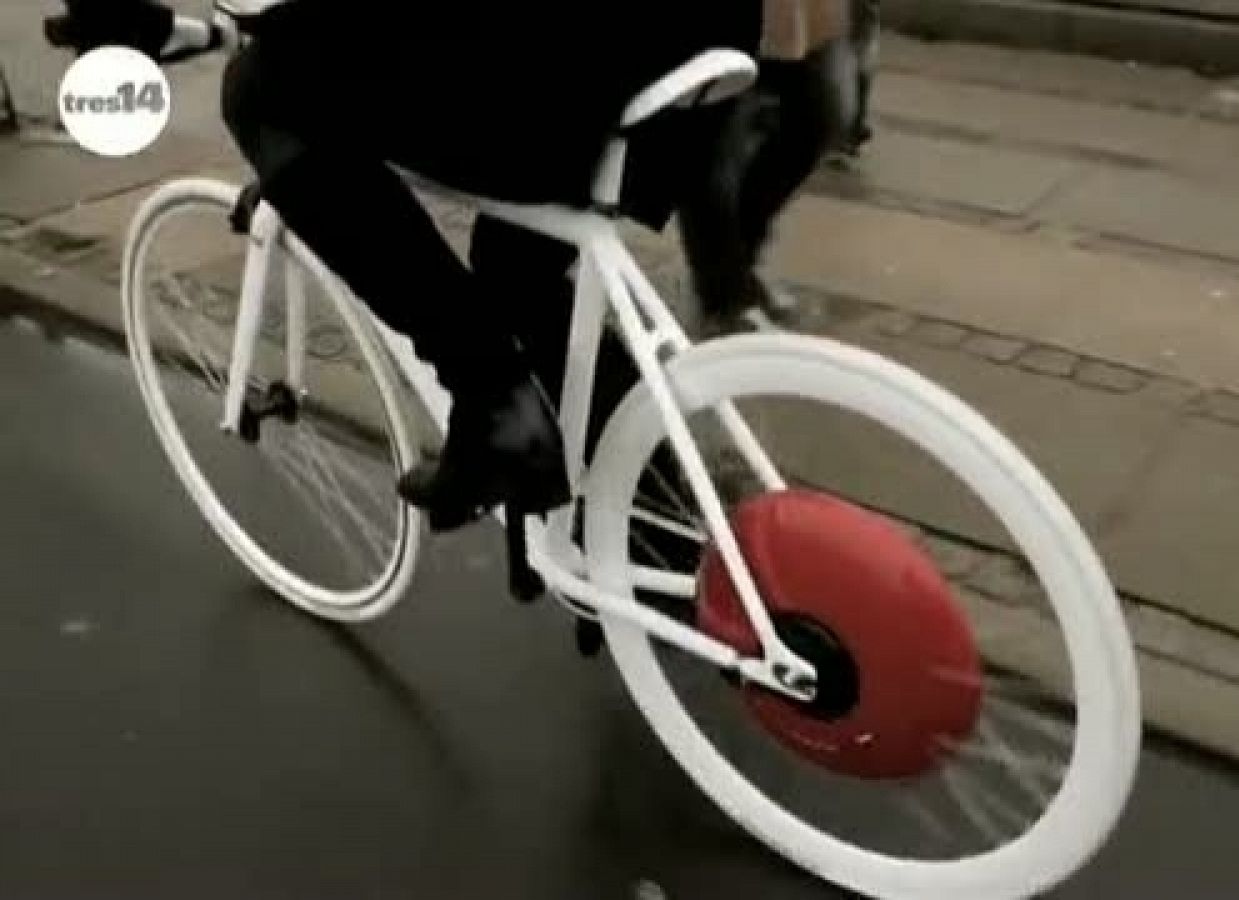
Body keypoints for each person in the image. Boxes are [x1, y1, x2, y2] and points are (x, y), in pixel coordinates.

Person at [47, 0, 855, 536]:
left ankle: (494, 404)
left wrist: (118, 21)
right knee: (516, 267)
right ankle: (662, 521)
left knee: (264, 95)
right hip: (694, 50)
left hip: (562, 61)